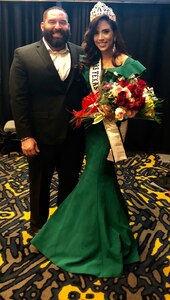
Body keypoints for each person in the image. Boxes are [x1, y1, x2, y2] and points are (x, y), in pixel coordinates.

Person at [31, 2, 146, 278]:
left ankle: (83, 238)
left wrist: (124, 108)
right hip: (92, 132)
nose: (101, 38)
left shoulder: (126, 62)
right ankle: (112, 229)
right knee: (103, 180)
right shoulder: (89, 63)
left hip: (112, 134)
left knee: (94, 178)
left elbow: (139, 101)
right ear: (92, 36)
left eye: (106, 32)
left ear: (114, 32)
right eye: (96, 33)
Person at [9, 6, 87, 234]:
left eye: (62, 22)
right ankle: (38, 230)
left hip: (74, 135)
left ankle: (64, 230)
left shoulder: (81, 53)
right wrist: (26, 135)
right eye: (52, 22)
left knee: (70, 184)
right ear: (42, 25)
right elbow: (18, 98)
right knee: (39, 186)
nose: (57, 27)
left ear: (69, 26)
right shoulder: (23, 54)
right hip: (40, 137)